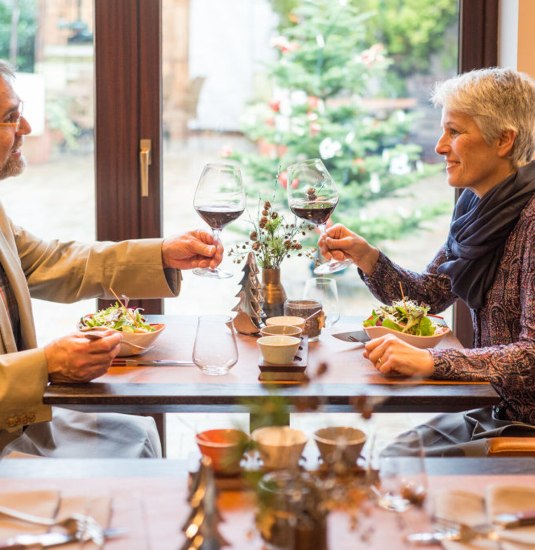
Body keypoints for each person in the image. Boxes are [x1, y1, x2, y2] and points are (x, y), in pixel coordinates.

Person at [0, 60, 223, 458]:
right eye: (10, 118)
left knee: (137, 434)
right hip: (9, 443)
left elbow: (54, 260)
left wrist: (161, 254)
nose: (27, 130)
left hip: (21, 424)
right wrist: (46, 365)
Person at [319, 67, 535, 456]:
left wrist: (433, 361)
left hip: (523, 426)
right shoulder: (478, 206)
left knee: (395, 464)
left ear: (504, 140)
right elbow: (430, 295)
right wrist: (367, 257)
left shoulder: (532, 219)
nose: (439, 146)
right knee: (390, 456)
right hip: (495, 409)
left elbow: (532, 356)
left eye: (454, 132)